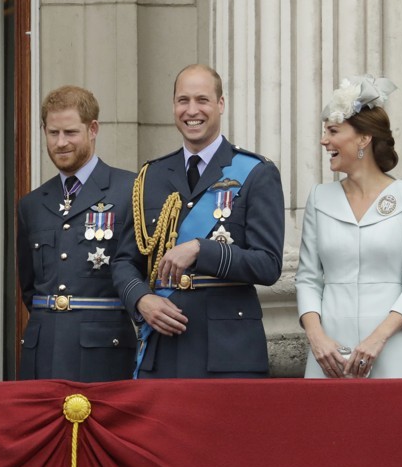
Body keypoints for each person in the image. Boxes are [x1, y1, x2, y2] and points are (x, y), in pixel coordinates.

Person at [112, 64, 285, 378]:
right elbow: (125, 260)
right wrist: (142, 299)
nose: (192, 110)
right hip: (163, 350)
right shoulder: (150, 176)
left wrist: (200, 250)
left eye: (202, 100)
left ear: (220, 104)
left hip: (228, 353)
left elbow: (269, 265)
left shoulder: (256, 173)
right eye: (183, 100)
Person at [296, 76, 402, 378]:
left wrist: (377, 339)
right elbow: (307, 279)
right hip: (327, 355)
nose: (324, 140)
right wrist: (317, 338)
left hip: (389, 349)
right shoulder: (320, 198)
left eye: (333, 131)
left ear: (363, 139)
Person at [16, 85, 137, 381]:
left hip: (104, 351)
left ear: (92, 129)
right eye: (53, 132)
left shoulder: (129, 190)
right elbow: (29, 287)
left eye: (70, 132)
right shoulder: (32, 204)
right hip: (42, 349)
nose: (60, 143)